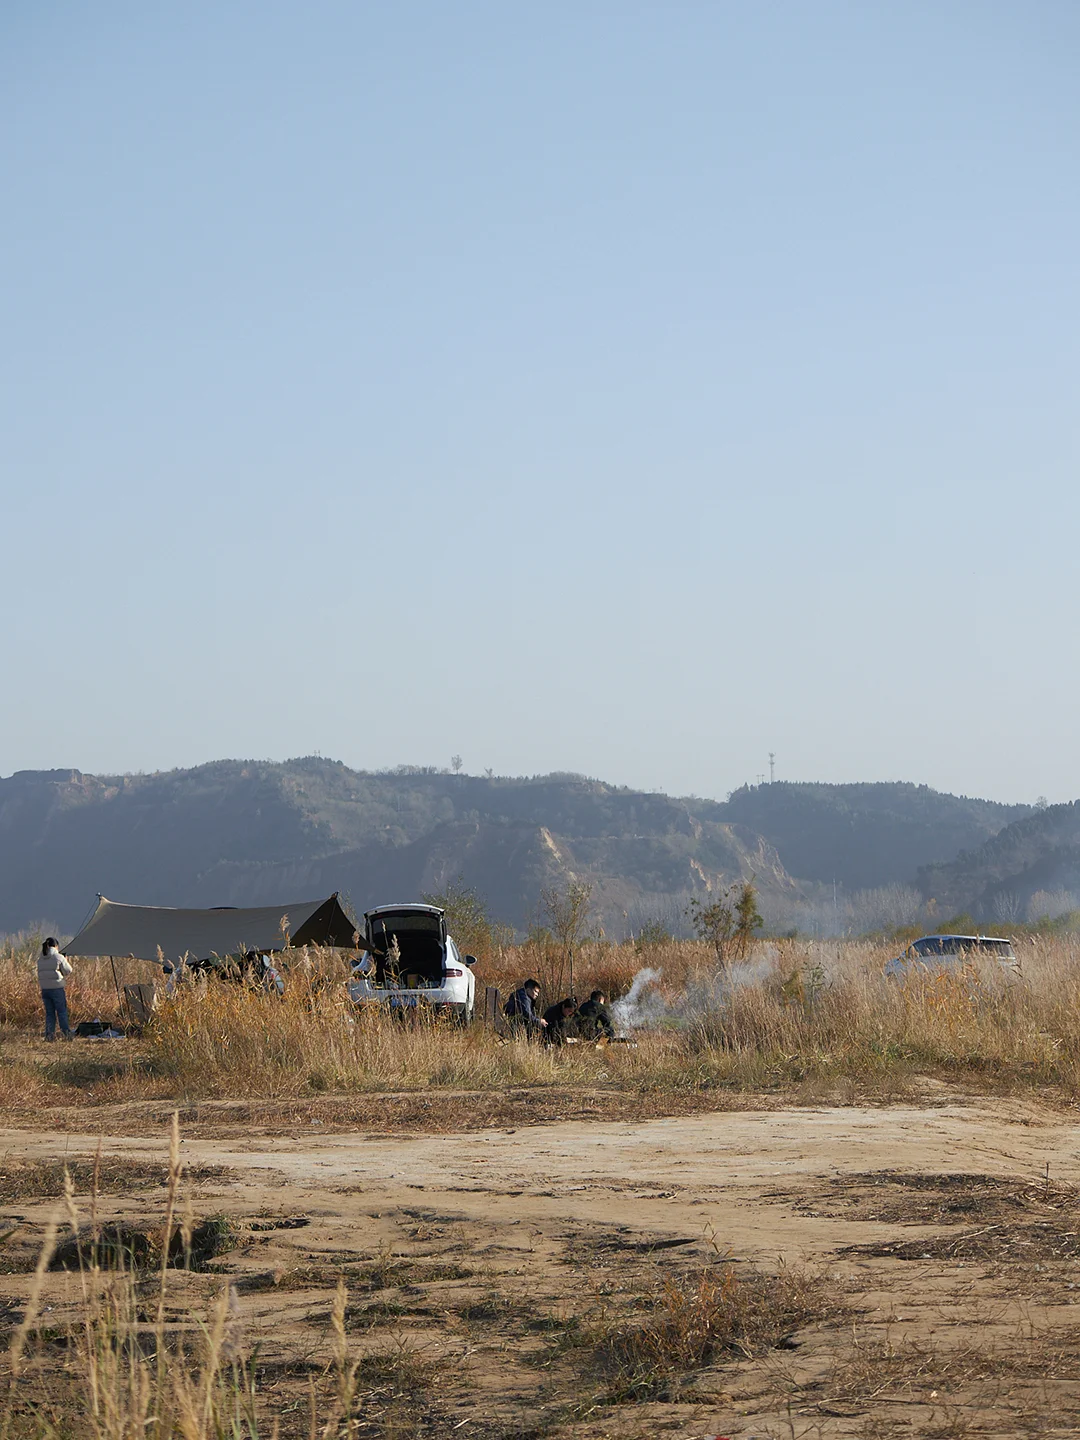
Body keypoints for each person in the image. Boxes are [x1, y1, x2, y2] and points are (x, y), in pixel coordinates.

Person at [38, 937, 73, 1041]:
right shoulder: (59, 957)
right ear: (56, 946)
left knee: (49, 1013)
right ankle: (66, 1035)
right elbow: (68, 971)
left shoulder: (40, 959)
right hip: (57, 989)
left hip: (45, 989)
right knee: (61, 1012)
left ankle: (49, 1036)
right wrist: (65, 960)